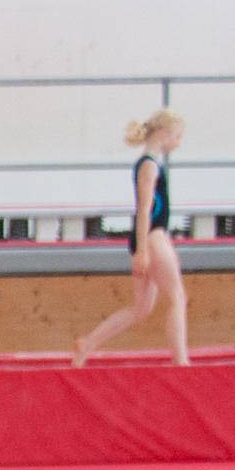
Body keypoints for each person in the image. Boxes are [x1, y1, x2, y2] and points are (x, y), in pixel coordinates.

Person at [74, 109, 190, 366]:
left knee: (141, 309)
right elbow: (145, 209)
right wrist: (142, 253)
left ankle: (88, 343)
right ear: (162, 132)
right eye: (178, 136)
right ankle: (181, 363)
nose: (179, 142)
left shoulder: (149, 162)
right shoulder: (149, 164)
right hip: (152, 237)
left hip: (146, 239)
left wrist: (141, 248)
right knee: (177, 298)